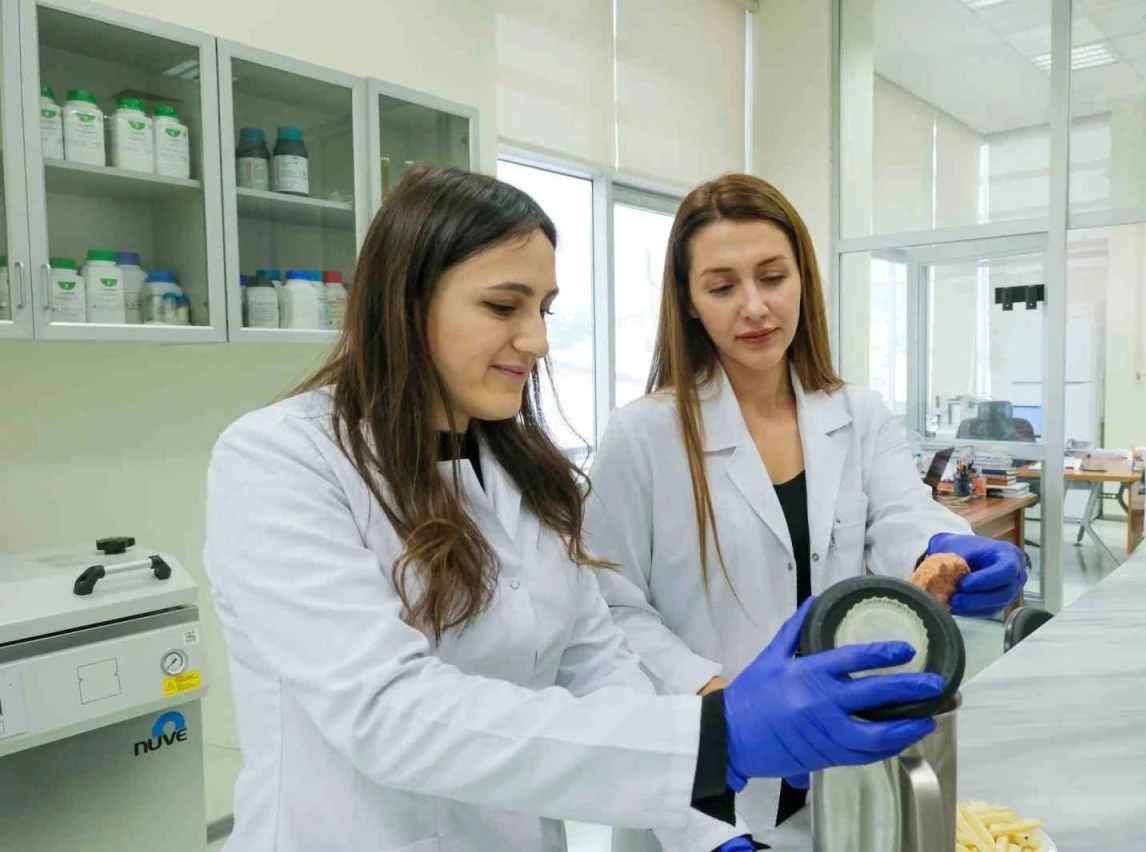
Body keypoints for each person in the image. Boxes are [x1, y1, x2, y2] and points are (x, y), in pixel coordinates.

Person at [203, 167, 949, 852]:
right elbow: (387, 712)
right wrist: (717, 736)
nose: (536, 340)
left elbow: (599, 662)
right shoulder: (280, 460)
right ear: (405, 303)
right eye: (503, 306)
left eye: (544, 309)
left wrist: (709, 834)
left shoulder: (528, 476)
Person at [586, 173, 1028, 851]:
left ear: (803, 281)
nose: (755, 307)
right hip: (704, 774)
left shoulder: (858, 414)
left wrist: (947, 548)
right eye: (722, 286)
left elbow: (900, 517)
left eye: (772, 277)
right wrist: (726, 704)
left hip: (841, 761)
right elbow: (610, 608)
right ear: (690, 302)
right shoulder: (643, 435)